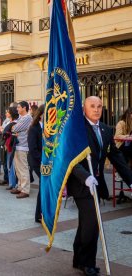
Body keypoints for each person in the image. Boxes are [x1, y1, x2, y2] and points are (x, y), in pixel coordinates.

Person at [67, 96, 132, 275]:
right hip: (82, 184)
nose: (96, 109)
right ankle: (88, 264)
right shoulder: (77, 129)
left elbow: (116, 156)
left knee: (86, 223)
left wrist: (130, 179)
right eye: (92, 106)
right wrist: (85, 176)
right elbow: (70, 157)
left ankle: (78, 258)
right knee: (92, 223)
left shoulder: (105, 129)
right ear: (84, 109)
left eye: (99, 106)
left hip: (97, 184)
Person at [10, 101, 32, 199]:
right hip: (18, 146)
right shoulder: (21, 118)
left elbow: (14, 128)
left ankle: (25, 190)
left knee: (23, 168)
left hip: (23, 146)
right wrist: (14, 129)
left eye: (19, 107)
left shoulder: (27, 118)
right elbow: (13, 128)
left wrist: (14, 129)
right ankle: (20, 187)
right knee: (18, 169)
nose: (17, 109)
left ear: (24, 108)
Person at [28, 105, 44, 223]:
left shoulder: (52, 127)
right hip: (37, 162)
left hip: (48, 162)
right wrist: (44, 160)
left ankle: (42, 213)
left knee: (45, 187)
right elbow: (33, 149)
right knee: (44, 185)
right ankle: (39, 214)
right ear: (42, 114)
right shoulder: (34, 128)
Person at [2, 107, 19, 191]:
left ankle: (12, 183)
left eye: (7, 112)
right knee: (10, 165)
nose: (6, 114)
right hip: (9, 146)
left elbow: (10, 134)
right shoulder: (10, 122)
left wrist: (4, 132)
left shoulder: (14, 123)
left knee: (11, 165)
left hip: (11, 146)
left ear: (11, 113)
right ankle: (11, 183)